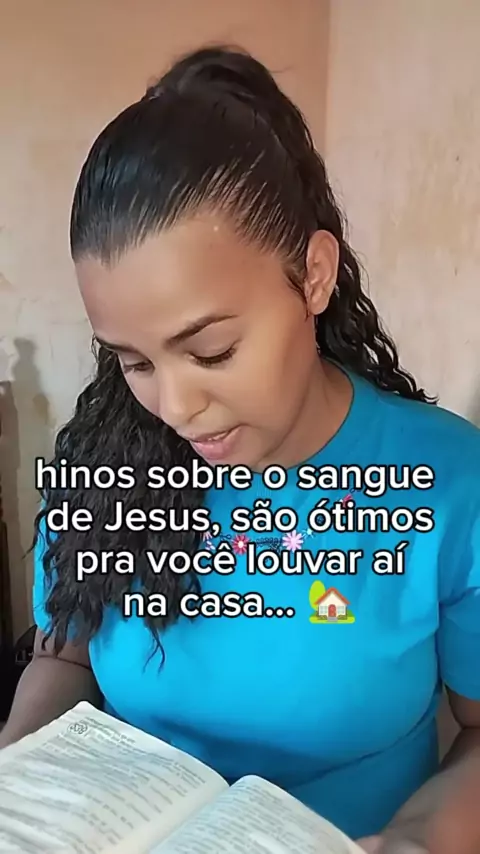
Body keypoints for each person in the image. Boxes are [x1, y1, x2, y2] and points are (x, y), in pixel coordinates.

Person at [1, 45, 479, 853]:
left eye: (212, 351)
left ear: (313, 276)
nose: (175, 407)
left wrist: (419, 840)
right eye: (134, 362)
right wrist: (18, 775)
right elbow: (68, 658)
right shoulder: (105, 470)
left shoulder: (448, 485)